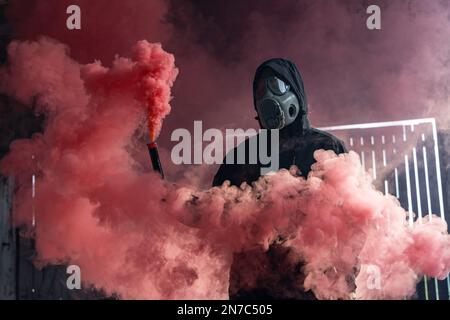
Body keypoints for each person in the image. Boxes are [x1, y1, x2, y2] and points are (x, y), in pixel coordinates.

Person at [212, 58, 348, 299]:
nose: (267, 97)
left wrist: (345, 282)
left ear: (295, 90)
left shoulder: (326, 147)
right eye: (261, 91)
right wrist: (177, 202)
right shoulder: (243, 155)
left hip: (310, 284)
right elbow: (215, 208)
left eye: (275, 86)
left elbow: (350, 221)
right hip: (254, 288)